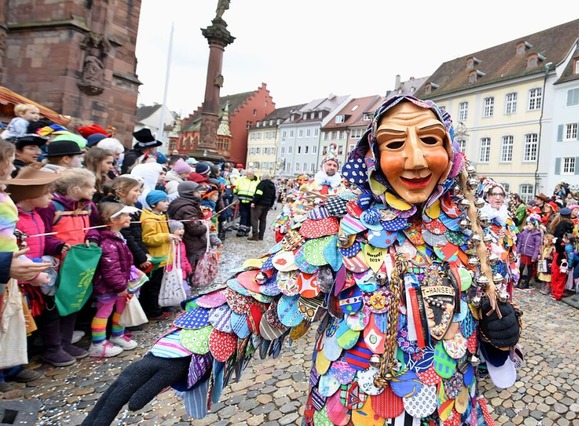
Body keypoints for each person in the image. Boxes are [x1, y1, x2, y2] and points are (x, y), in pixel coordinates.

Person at [84, 95, 522, 425]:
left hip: (450, 407)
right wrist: (185, 347)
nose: (414, 158)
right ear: (373, 156)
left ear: (451, 151)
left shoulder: (478, 232)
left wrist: (500, 338)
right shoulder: (339, 222)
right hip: (353, 407)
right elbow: (270, 286)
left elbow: (485, 319)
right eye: (394, 144)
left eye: (430, 140)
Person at [10, 167, 74, 368]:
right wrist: (30, 275)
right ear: (31, 195)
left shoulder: (37, 215)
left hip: (39, 272)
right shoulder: (16, 219)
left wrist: (57, 246)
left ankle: (52, 349)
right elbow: (15, 249)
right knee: (21, 320)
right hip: (23, 276)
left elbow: (44, 239)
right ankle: (13, 365)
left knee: (48, 313)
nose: (51, 197)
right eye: (46, 192)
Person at [36, 168, 100, 360]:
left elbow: (94, 228)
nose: (94, 190)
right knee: (54, 306)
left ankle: (65, 342)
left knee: (74, 300)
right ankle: (52, 348)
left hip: (78, 264)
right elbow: (42, 236)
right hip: (56, 264)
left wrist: (93, 238)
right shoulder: (51, 207)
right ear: (74, 189)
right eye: (90, 186)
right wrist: (57, 246)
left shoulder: (88, 206)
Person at [88, 202, 139, 358]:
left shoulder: (117, 237)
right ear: (113, 219)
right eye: (125, 215)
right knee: (104, 312)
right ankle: (97, 343)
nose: (129, 217)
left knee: (120, 308)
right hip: (109, 286)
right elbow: (111, 268)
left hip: (120, 284)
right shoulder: (107, 243)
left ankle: (117, 335)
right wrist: (119, 286)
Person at [140, 190, 177, 320]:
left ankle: (158, 307)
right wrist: (166, 236)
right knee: (152, 287)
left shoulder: (161, 216)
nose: (167, 203)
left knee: (158, 285)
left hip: (163, 256)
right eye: (163, 201)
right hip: (156, 258)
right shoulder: (149, 220)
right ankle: (154, 312)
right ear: (154, 204)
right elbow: (147, 238)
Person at [166, 181, 208, 271]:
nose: (199, 194)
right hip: (191, 243)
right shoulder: (187, 208)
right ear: (189, 193)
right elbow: (195, 229)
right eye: (196, 191)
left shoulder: (180, 202)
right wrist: (205, 225)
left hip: (186, 241)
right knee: (192, 266)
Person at [548, 208, 575, 301]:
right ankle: (558, 293)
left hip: (558, 251)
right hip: (563, 252)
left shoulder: (559, 224)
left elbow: (556, 237)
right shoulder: (570, 225)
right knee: (561, 273)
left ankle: (555, 292)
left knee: (556, 273)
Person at [515, 214, 542, 289]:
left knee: (529, 268)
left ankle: (526, 283)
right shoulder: (524, 233)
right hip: (523, 253)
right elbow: (520, 241)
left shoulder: (537, 236)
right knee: (521, 267)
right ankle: (519, 281)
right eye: (528, 224)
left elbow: (537, 247)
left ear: (534, 225)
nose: (528, 226)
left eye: (530, 224)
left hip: (530, 254)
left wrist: (534, 256)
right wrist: (518, 250)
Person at [167, 220, 192, 297]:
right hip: (172, 272)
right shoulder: (169, 245)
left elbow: (184, 257)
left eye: (182, 228)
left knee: (185, 290)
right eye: (179, 229)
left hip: (182, 271)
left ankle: (182, 303)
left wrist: (188, 267)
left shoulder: (181, 243)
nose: (182, 231)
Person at [248, 173, 276, 241]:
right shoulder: (272, 186)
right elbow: (273, 197)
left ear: (263, 178)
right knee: (263, 220)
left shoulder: (262, 184)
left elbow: (258, 194)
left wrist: (254, 202)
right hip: (267, 205)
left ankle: (255, 235)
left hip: (259, 204)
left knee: (254, 219)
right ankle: (261, 236)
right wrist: (270, 205)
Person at [233, 168, 258, 237]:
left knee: (249, 215)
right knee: (243, 214)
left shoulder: (257, 181)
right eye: (247, 174)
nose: (248, 175)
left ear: (253, 174)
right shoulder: (241, 179)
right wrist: (235, 192)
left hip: (251, 201)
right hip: (242, 199)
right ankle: (241, 230)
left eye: (249, 174)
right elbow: (235, 186)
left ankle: (247, 229)